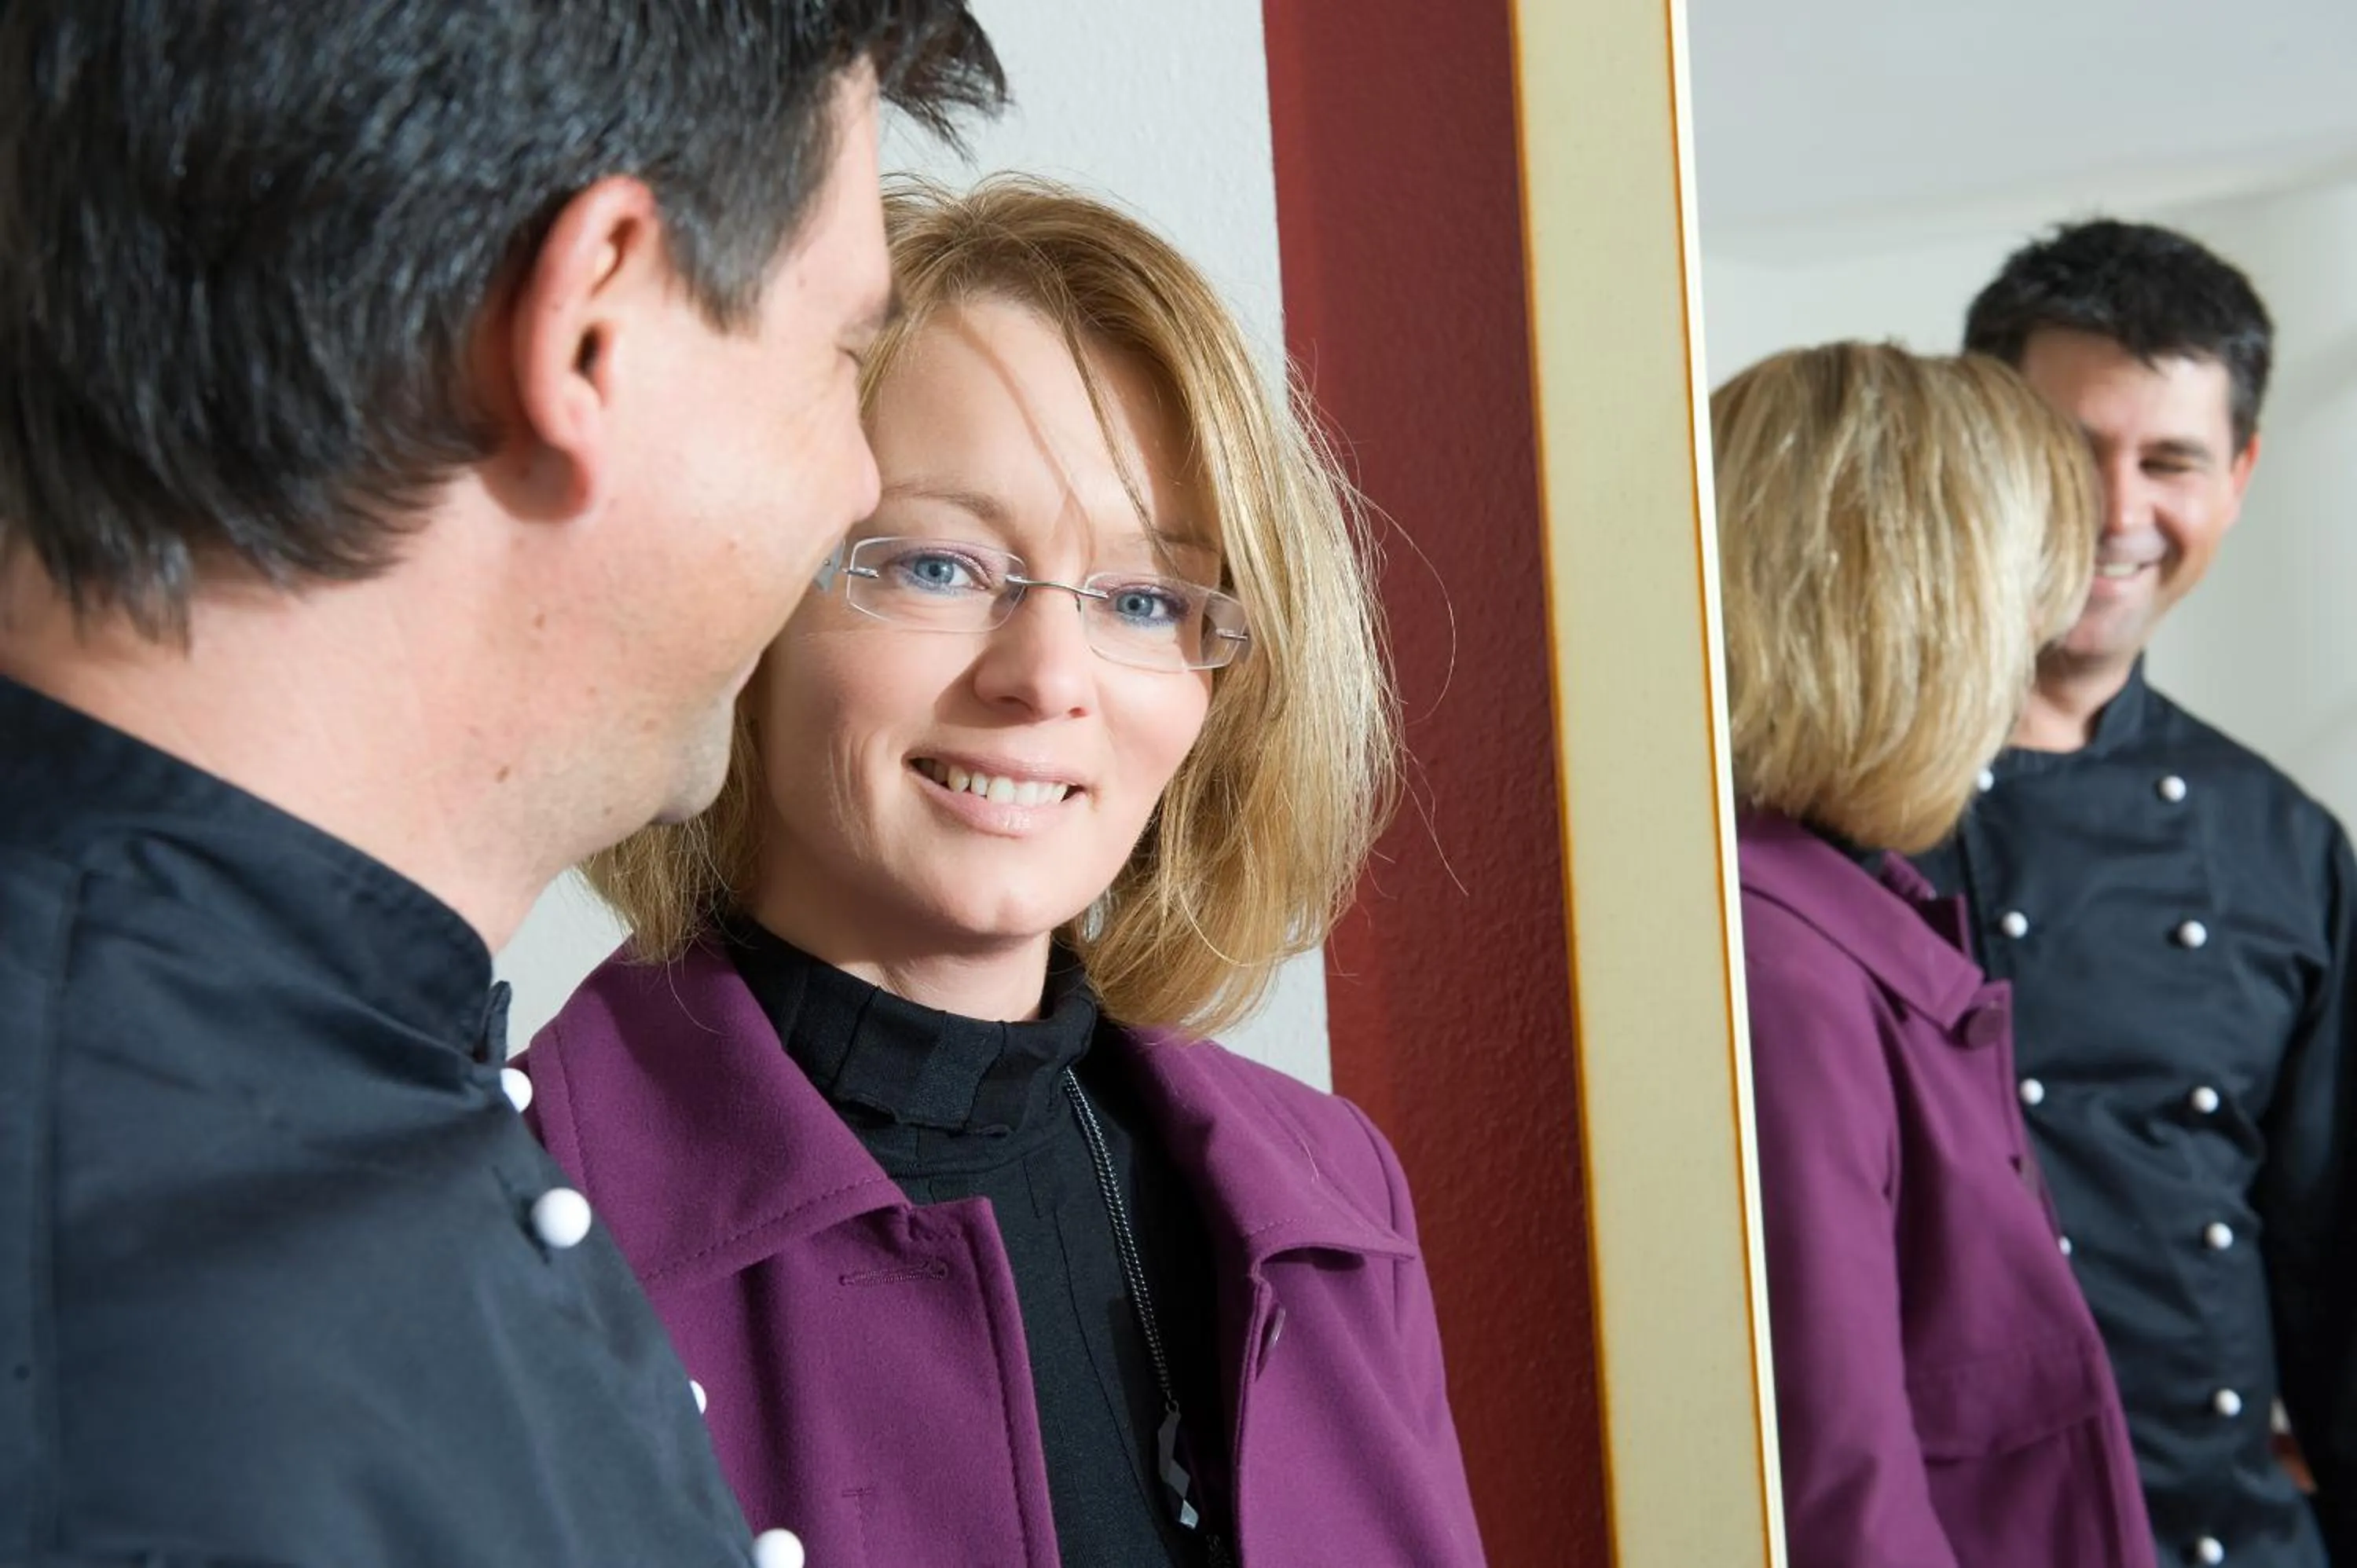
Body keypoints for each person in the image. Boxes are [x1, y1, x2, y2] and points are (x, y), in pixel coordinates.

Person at [0, 5, 1002, 1566]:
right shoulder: (169, 1364)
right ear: (589, 330)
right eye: (842, 357)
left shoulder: (243, 1128)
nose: (857, 485)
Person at [517, 175, 1484, 1566]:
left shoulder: (1331, 1197)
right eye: (939, 567)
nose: (1045, 678)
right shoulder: (515, 1214)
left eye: (1145, 599)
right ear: (750, 603)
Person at [1912, 220, 2357, 1568]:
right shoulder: (1822, 811)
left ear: (2240, 477)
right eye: (2068, 451)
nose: (2116, 513)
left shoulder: (2284, 844)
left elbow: (2341, 1281)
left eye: (2169, 460)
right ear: (1980, 449)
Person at [1715, 343, 2149, 1565]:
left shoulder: (1844, 931)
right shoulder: (1786, 979)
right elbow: (1839, 1500)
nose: (2026, 667)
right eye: (2019, 608)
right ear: (1912, 621)